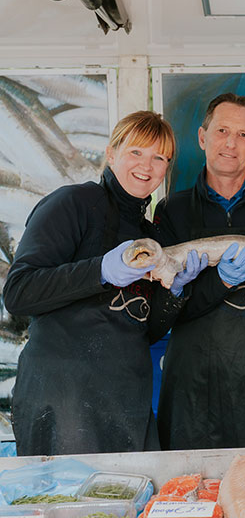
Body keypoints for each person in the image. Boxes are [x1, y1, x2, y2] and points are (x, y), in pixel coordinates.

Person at [3, 111, 205, 456]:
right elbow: (20, 292)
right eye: (136, 152)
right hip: (63, 400)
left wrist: (174, 292)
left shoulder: (150, 235)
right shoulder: (72, 204)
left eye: (160, 158)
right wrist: (101, 271)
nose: (147, 165)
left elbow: (144, 329)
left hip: (127, 402)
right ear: (111, 154)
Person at [154, 92, 245, 450]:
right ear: (203, 137)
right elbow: (161, 313)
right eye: (222, 131)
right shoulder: (171, 211)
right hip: (195, 385)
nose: (231, 143)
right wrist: (209, 284)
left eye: (242, 135)